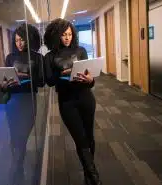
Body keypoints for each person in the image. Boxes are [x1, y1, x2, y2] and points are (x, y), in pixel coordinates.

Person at [43, 18, 102, 185]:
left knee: (89, 137)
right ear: (56, 36)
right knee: (80, 139)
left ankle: (87, 174)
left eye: (69, 34)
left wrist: (90, 80)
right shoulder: (50, 57)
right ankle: (94, 176)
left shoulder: (81, 50)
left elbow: (90, 80)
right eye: (63, 35)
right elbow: (49, 81)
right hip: (67, 102)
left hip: (86, 99)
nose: (67, 38)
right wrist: (64, 74)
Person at [0, 23, 44, 185]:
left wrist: (25, 77)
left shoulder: (37, 57)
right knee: (15, 136)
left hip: (28, 100)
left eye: (22, 40)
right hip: (13, 101)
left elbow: (41, 82)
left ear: (29, 40)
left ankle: (17, 166)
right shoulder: (10, 57)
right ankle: (17, 168)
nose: (19, 43)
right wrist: (3, 86)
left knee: (22, 136)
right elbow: (4, 81)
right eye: (17, 40)